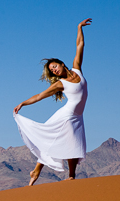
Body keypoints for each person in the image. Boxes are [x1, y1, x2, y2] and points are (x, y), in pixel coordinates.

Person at [14, 18, 92, 185]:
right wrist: (23, 104)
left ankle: (48, 173)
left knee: (75, 146)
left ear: (62, 64)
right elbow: (40, 96)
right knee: (62, 142)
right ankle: (45, 173)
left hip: (78, 117)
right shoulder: (60, 84)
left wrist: (79, 27)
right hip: (67, 115)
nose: (54, 70)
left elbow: (80, 46)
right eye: (52, 70)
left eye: (55, 66)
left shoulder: (77, 68)